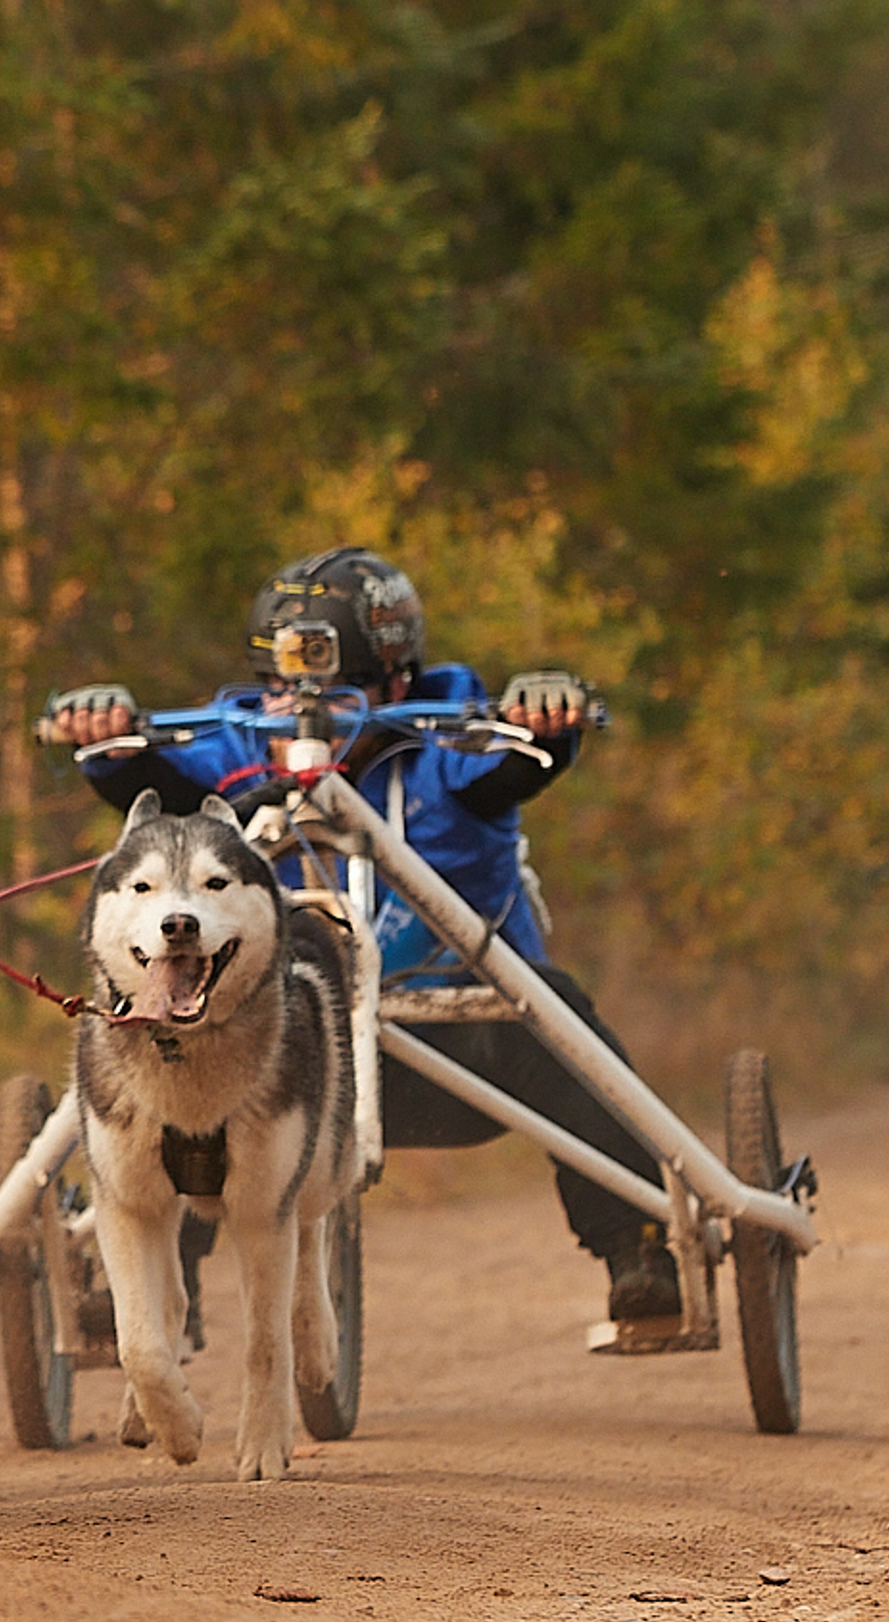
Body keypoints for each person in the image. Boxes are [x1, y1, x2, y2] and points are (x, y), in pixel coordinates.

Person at [41, 544, 681, 1324]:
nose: (301, 712)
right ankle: (148, 1293)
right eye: (281, 687)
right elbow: (152, 779)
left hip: (458, 1050)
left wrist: (545, 719)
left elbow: (523, 762)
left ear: (397, 684)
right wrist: (104, 734)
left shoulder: (451, 747)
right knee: (173, 1050)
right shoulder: (234, 755)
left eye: (337, 690)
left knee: (559, 1005)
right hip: (284, 1052)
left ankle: (638, 1246)